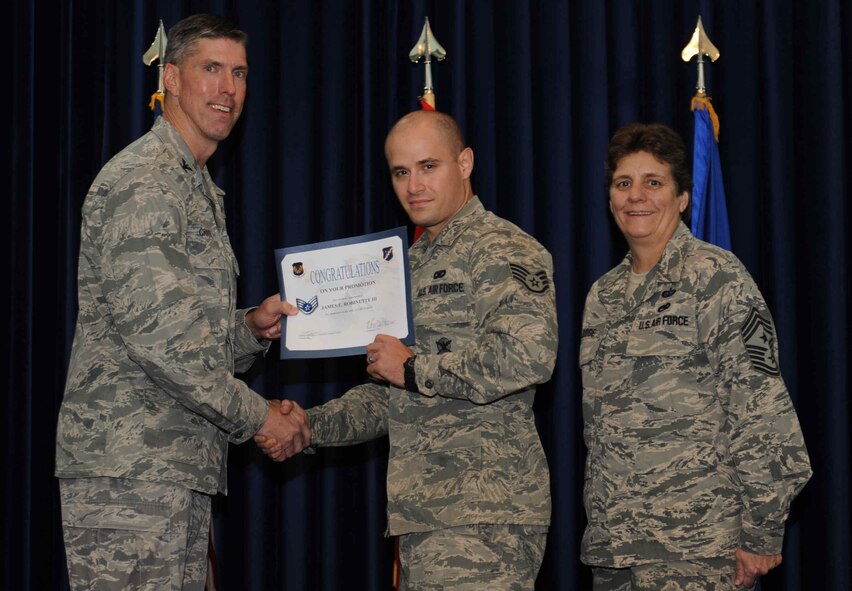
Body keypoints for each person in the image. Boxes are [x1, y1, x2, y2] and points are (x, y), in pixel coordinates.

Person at [55, 14, 310, 590]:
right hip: (128, 472)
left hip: (170, 465)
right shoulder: (144, 181)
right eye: (211, 69)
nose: (227, 89)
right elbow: (165, 345)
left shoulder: (193, 186)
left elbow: (185, 333)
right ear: (170, 77)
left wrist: (249, 328)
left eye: (239, 73)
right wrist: (260, 417)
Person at [261, 110, 558, 589]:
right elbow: (391, 393)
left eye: (428, 166)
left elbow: (528, 356)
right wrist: (310, 427)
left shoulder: (504, 248)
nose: (414, 185)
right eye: (401, 172)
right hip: (422, 515)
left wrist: (416, 369)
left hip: (484, 512)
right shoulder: (406, 264)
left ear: (464, 163)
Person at [579, 122, 812, 590]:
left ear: (682, 198)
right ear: (609, 199)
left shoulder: (717, 278)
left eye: (653, 182)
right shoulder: (602, 296)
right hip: (616, 552)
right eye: (623, 183)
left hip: (699, 550)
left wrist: (761, 532)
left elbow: (762, 412)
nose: (636, 196)